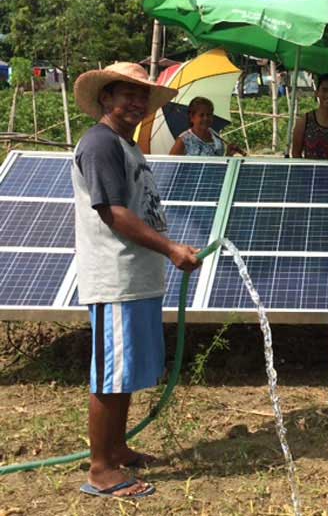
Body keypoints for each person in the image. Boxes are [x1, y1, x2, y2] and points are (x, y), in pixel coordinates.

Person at [72, 62, 201, 499]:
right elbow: (113, 214)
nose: (135, 101)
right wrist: (170, 249)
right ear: (105, 98)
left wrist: (165, 251)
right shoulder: (100, 144)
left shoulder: (126, 146)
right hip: (115, 276)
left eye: (142, 95)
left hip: (137, 277)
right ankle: (101, 469)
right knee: (110, 375)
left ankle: (117, 448)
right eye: (125, 92)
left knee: (124, 374)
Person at [169, 96, 242, 156]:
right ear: (192, 117)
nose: (206, 118)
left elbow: (219, 166)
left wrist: (229, 154)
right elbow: (170, 167)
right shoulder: (183, 141)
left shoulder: (216, 137)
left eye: (209, 115)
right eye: (201, 115)